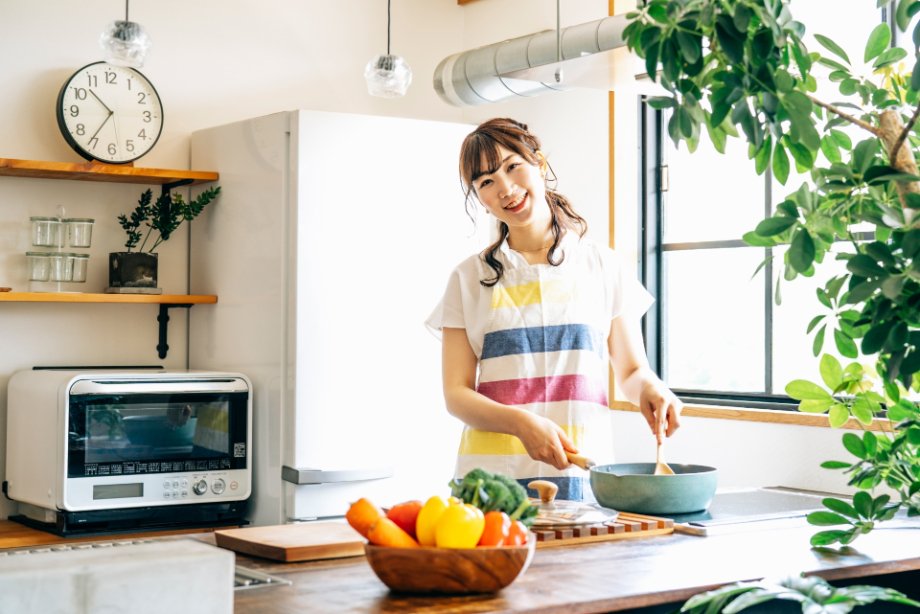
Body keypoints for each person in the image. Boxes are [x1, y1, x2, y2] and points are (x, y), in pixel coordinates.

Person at [426, 117, 682, 501]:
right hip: (492, 485)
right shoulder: (467, 278)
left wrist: (652, 388)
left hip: (582, 474)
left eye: (513, 167)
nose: (506, 189)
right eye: (486, 182)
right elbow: (456, 394)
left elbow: (631, 371)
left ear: (539, 164)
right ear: (479, 197)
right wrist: (522, 423)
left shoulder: (602, 265)